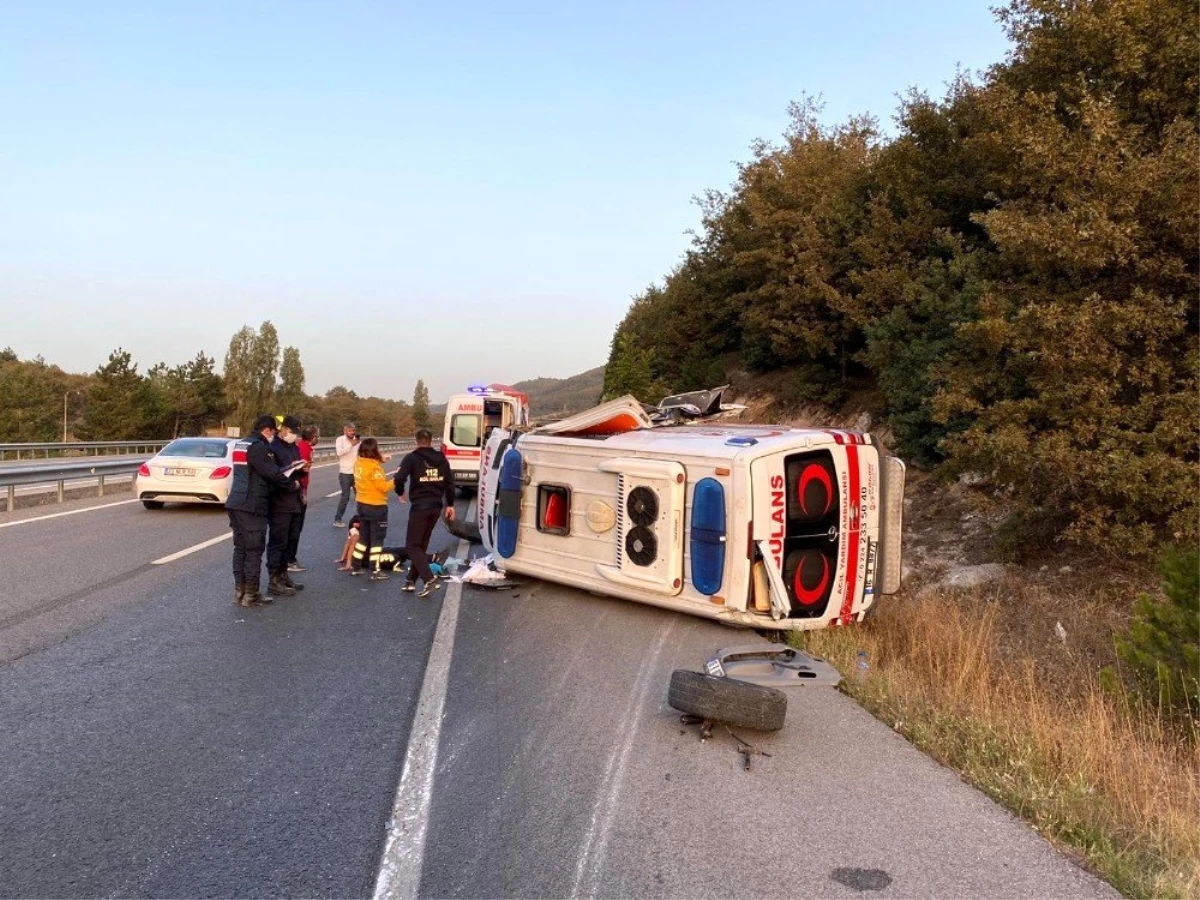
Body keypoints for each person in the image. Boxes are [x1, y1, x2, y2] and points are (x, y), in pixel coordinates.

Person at [225, 415, 302, 607]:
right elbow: (272, 474)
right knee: (254, 550)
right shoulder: (259, 447)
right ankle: (251, 594)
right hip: (252, 504)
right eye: (273, 432)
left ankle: (240, 591)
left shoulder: (240, 444)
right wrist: (292, 484)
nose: (273, 436)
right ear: (267, 430)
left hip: (236, 501)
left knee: (240, 548)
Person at [394, 428, 456, 597]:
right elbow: (450, 482)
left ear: (417, 441)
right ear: (430, 441)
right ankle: (410, 580)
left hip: (420, 506)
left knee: (412, 546)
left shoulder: (412, 458)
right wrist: (450, 504)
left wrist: (400, 492)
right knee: (420, 545)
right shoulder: (441, 458)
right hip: (436, 506)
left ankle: (428, 578)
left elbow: (399, 478)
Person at [266, 415, 309, 597]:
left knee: (291, 539)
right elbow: (273, 475)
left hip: (294, 500)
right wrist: (290, 472)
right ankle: (274, 580)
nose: (293, 435)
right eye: (291, 432)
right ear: (283, 429)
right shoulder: (272, 447)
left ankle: (284, 575)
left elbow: (295, 469)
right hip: (279, 501)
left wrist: (301, 469)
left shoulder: (293, 447)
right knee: (278, 541)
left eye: (295, 433)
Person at [352, 437, 392, 580]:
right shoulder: (375, 468)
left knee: (363, 538)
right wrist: (397, 479)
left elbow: (369, 463)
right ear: (374, 451)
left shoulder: (358, 464)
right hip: (376, 506)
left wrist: (381, 459)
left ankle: (356, 566)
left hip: (361, 505)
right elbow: (383, 487)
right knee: (377, 540)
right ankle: (375, 569)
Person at [287, 424, 319, 572]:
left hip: (298, 490)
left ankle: (288, 559)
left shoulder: (303, 447)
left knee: (294, 528)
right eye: (317, 436)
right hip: (298, 491)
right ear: (313, 437)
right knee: (295, 528)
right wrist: (303, 493)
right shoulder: (304, 449)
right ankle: (290, 560)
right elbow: (301, 470)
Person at [333, 422, 360, 527]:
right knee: (345, 497)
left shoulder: (358, 441)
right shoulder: (340, 440)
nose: (352, 432)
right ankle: (337, 519)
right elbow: (339, 453)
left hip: (357, 473)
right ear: (345, 431)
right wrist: (351, 445)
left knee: (360, 496)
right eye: (349, 431)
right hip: (345, 473)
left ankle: (360, 518)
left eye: (353, 430)